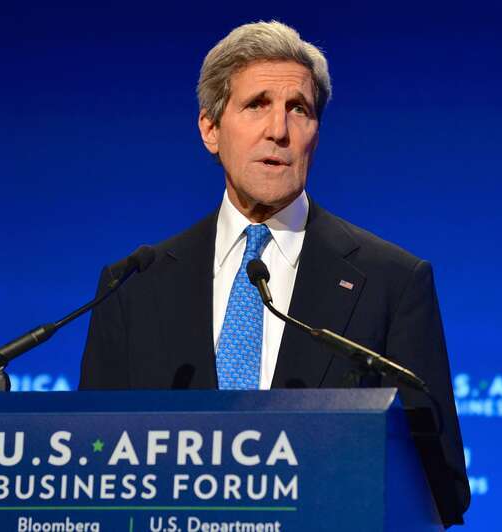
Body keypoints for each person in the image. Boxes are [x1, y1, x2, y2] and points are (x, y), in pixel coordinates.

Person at [79, 20, 469, 526]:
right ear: (210, 129)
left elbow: (441, 486)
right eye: (257, 104)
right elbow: (91, 473)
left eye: (298, 110)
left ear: (316, 133)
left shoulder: (392, 282)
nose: (279, 130)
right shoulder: (134, 286)